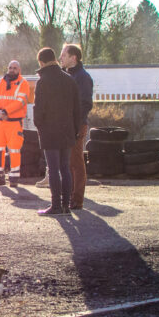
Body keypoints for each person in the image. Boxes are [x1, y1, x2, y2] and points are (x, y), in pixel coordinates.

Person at [32, 47, 81, 215]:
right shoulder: (69, 80)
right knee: (65, 168)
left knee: (53, 169)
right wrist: (75, 130)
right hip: (67, 130)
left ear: (41, 62)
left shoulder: (43, 82)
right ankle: (66, 205)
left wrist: (40, 127)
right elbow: (77, 109)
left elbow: (38, 110)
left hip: (49, 131)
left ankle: (56, 206)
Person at [0, 60, 33, 187]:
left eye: (15, 68)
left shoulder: (23, 83)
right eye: (10, 67)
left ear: (19, 70)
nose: (12, 70)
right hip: (0, 122)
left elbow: (21, 102)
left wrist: (6, 111)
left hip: (14, 123)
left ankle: (14, 179)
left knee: (14, 150)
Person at [60, 43, 93, 209]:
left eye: (64, 55)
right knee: (68, 162)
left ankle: (77, 199)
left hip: (77, 126)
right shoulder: (67, 75)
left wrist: (75, 124)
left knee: (76, 162)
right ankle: (70, 196)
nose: (60, 58)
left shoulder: (82, 77)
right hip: (67, 125)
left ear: (73, 57)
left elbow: (86, 103)